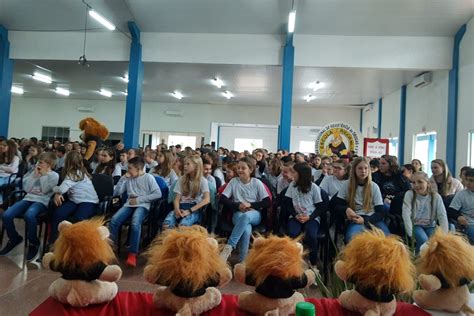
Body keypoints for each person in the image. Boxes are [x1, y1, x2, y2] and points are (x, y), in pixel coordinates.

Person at [0, 152, 59, 260]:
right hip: (28, 198)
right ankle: (14, 238)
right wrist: (34, 176)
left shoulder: (54, 176)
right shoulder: (33, 172)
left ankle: (34, 243)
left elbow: (45, 190)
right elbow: (27, 189)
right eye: (38, 162)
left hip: (41, 201)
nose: (38, 164)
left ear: (49, 164)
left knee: (29, 215)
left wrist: (43, 176)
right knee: (6, 215)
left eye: (41, 162)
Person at [109, 157, 161, 267]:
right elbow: (117, 193)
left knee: (135, 222)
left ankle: (133, 253)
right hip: (129, 204)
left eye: (130, 168)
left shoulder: (148, 177)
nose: (128, 170)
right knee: (114, 220)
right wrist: (123, 179)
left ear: (138, 168)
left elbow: (157, 194)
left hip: (142, 205)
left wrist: (138, 200)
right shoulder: (128, 178)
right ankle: (111, 249)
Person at [220, 157, 271, 262]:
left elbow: (267, 202)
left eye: (243, 168)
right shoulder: (234, 181)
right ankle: (243, 261)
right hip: (238, 213)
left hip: (254, 214)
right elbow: (223, 198)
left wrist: (250, 204)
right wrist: (237, 205)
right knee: (247, 229)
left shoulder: (256, 182)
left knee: (247, 216)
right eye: (238, 168)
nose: (239, 170)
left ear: (250, 170)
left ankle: (229, 246)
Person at [48, 151, 99, 246]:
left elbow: (62, 189)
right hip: (75, 201)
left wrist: (55, 190)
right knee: (58, 214)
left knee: (79, 219)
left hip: (88, 201)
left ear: (67, 162)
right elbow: (63, 189)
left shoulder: (75, 173)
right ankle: (54, 242)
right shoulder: (78, 171)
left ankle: (73, 244)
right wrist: (58, 193)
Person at [335, 157, 389, 243]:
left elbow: (380, 212)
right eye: (360, 168)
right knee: (352, 238)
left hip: (373, 218)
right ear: (354, 170)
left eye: (366, 168)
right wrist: (346, 209)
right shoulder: (347, 184)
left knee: (387, 239)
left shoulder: (374, 186)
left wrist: (365, 220)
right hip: (356, 218)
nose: (363, 171)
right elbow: (337, 205)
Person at [285, 162, 325, 269]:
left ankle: (313, 265)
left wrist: (309, 217)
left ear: (301, 174)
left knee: (312, 236)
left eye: (294, 172)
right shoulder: (292, 185)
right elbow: (287, 203)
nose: (291, 174)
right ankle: (293, 262)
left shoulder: (314, 188)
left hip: (311, 217)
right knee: (292, 234)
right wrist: (295, 215)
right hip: (296, 217)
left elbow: (320, 207)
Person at [402, 172, 448, 253]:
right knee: (423, 239)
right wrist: (410, 234)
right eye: (413, 182)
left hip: (430, 226)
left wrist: (444, 235)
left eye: (420, 182)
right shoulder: (409, 194)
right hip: (415, 225)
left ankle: (428, 262)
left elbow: (442, 216)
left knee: (433, 241)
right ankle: (417, 260)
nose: (416, 185)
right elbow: (406, 214)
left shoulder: (436, 197)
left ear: (428, 183)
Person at [162, 156, 210, 229]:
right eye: (185, 164)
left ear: (196, 166)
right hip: (181, 206)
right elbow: (176, 199)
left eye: (188, 164)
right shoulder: (182, 179)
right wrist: (177, 210)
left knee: (183, 226)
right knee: (166, 225)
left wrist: (189, 211)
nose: (185, 166)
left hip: (194, 209)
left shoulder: (202, 181)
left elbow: (207, 199)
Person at [447, 168, 474, 244]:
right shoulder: (461, 194)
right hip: (469, 224)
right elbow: (451, 211)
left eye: (471, 181)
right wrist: (459, 217)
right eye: (467, 180)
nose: (468, 183)